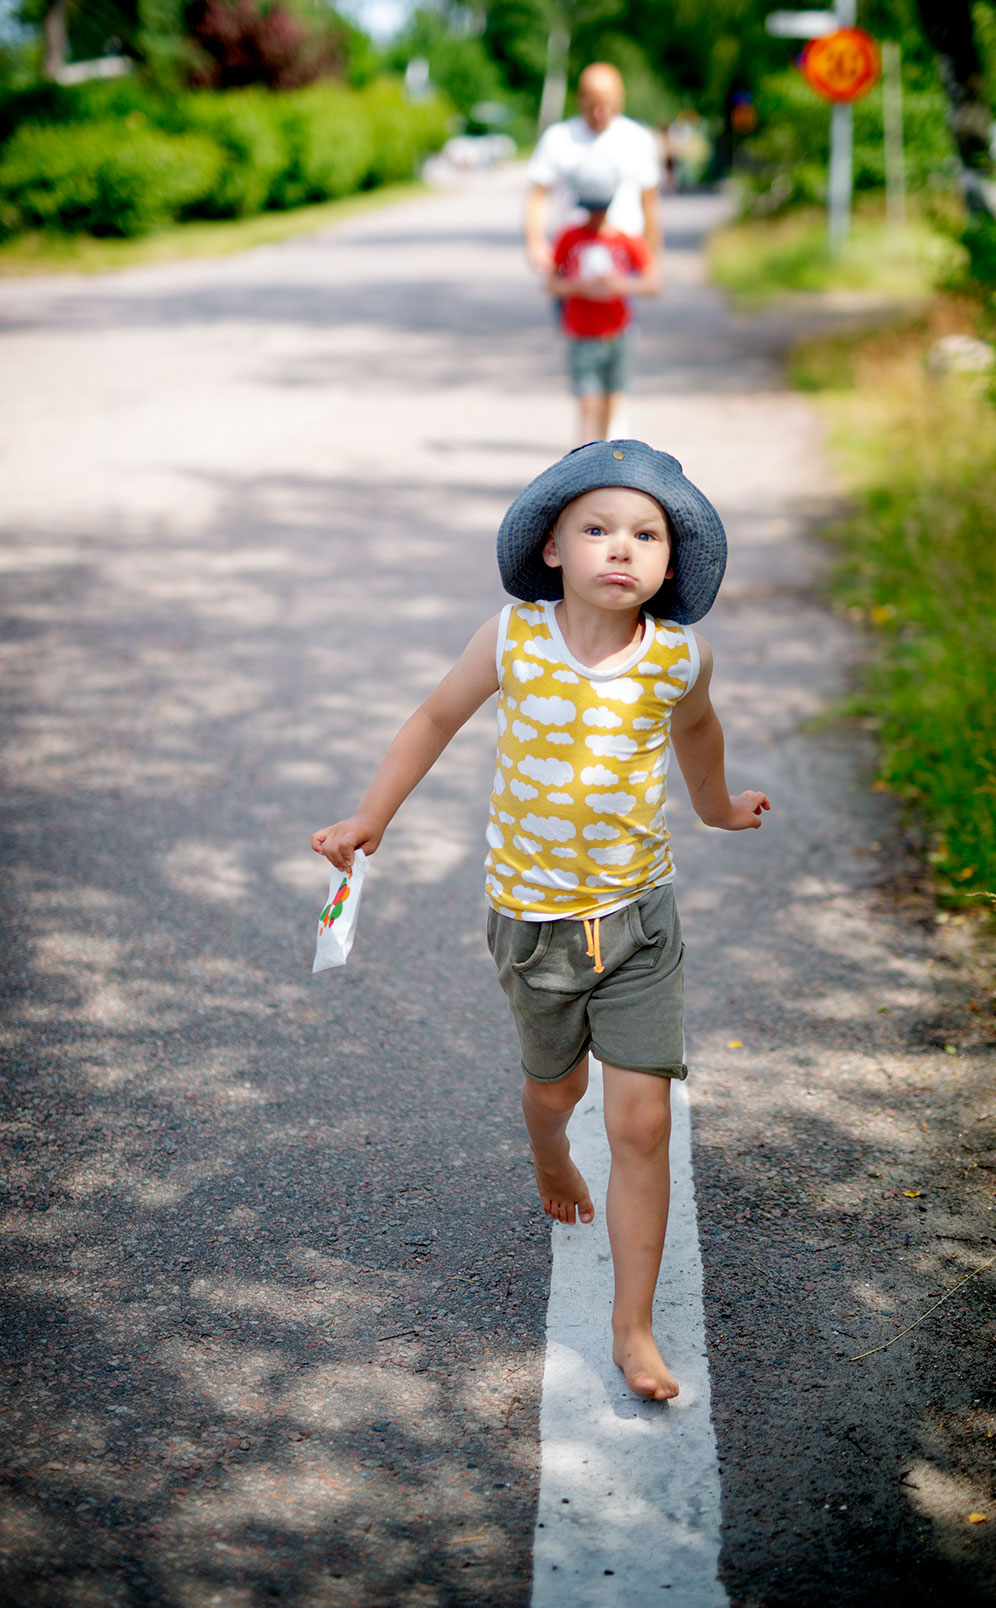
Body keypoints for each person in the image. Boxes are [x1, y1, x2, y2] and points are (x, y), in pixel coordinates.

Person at [311, 440, 770, 1402]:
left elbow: (701, 735)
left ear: (670, 564)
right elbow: (434, 719)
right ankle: (549, 1148)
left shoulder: (680, 657)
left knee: (640, 1119)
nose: (620, 549)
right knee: (556, 1094)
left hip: (639, 918)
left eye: (645, 535)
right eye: (596, 529)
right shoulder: (514, 639)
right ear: (552, 549)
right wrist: (370, 816)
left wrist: (718, 807)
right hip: (534, 926)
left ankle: (633, 1326)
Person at [548, 167, 659, 446]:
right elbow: (552, 283)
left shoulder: (624, 240)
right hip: (581, 331)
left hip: (617, 331)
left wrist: (619, 285)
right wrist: (577, 286)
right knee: (588, 403)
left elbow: (653, 283)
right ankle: (585, 457)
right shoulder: (569, 237)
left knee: (613, 400)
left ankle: (607, 458)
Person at [524, 63, 662, 276]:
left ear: (620, 99)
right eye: (592, 105)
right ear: (580, 99)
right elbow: (537, 197)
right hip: (570, 255)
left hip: (624, 258)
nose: (599, 113)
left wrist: (652, 255)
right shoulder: (558, 138)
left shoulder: (638, 139)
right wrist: (536, 244)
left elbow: (650, 200)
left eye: (606, 105)